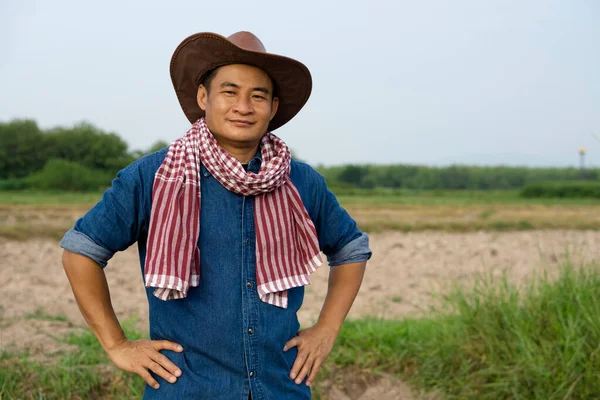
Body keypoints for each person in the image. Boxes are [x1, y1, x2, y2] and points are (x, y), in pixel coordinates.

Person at [60, 31, 371, 400]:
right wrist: (117, 345)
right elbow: (81, 251)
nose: (243, 106)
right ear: (204, 97)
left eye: (258, 95)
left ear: (272, 108)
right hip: (186, 388)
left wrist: (326, 329)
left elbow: (350, 250)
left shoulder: (300, 180)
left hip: (279, 387)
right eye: (230, 91)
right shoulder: (153, 176)